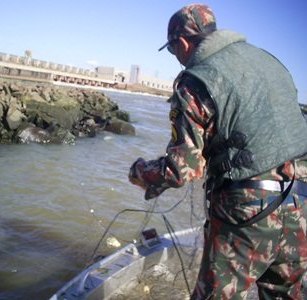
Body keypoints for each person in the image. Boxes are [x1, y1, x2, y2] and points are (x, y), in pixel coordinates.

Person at [128, 3, 307, 299]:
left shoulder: (197, 80)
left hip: (247, 214)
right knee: (285, 293)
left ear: (183, 42)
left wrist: (141, 173)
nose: (178, 59)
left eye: (173, 51)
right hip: (299, 201)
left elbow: (182, 168)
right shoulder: (269, 61)